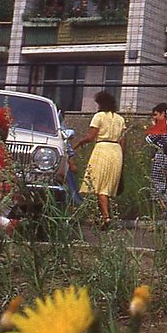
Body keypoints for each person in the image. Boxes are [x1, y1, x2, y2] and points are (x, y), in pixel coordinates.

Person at [73, 90, 126, 229]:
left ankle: (105, 217)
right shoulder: (120, 119)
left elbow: (90, 137)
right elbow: (123, 141)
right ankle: (103, 215)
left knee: (98, 185)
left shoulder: (99, 116)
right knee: (107, 185)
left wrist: (79, 143)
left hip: (102, 149)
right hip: (116, 151)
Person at [145, 102, 167, 205]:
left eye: (156, 115)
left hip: (161, 157)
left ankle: (159, 204)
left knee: (158, 182)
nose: (155, 117)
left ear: (163, 114)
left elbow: (149, 139)